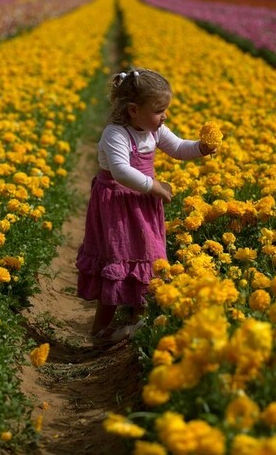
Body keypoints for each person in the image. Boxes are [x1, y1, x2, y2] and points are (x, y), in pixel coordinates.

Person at [75, 67, 217, 345]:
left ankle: (138, 324)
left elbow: (177, 148)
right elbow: (120, 171)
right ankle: (100, 332)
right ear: (133, 110)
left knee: (148, 259)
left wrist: (200, 147)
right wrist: (154, 186)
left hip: (142, 205)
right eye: (158, 110)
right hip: (117, 207)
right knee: (117, 259)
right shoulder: (115, 134)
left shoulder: (154, 129)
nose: (164, 116)